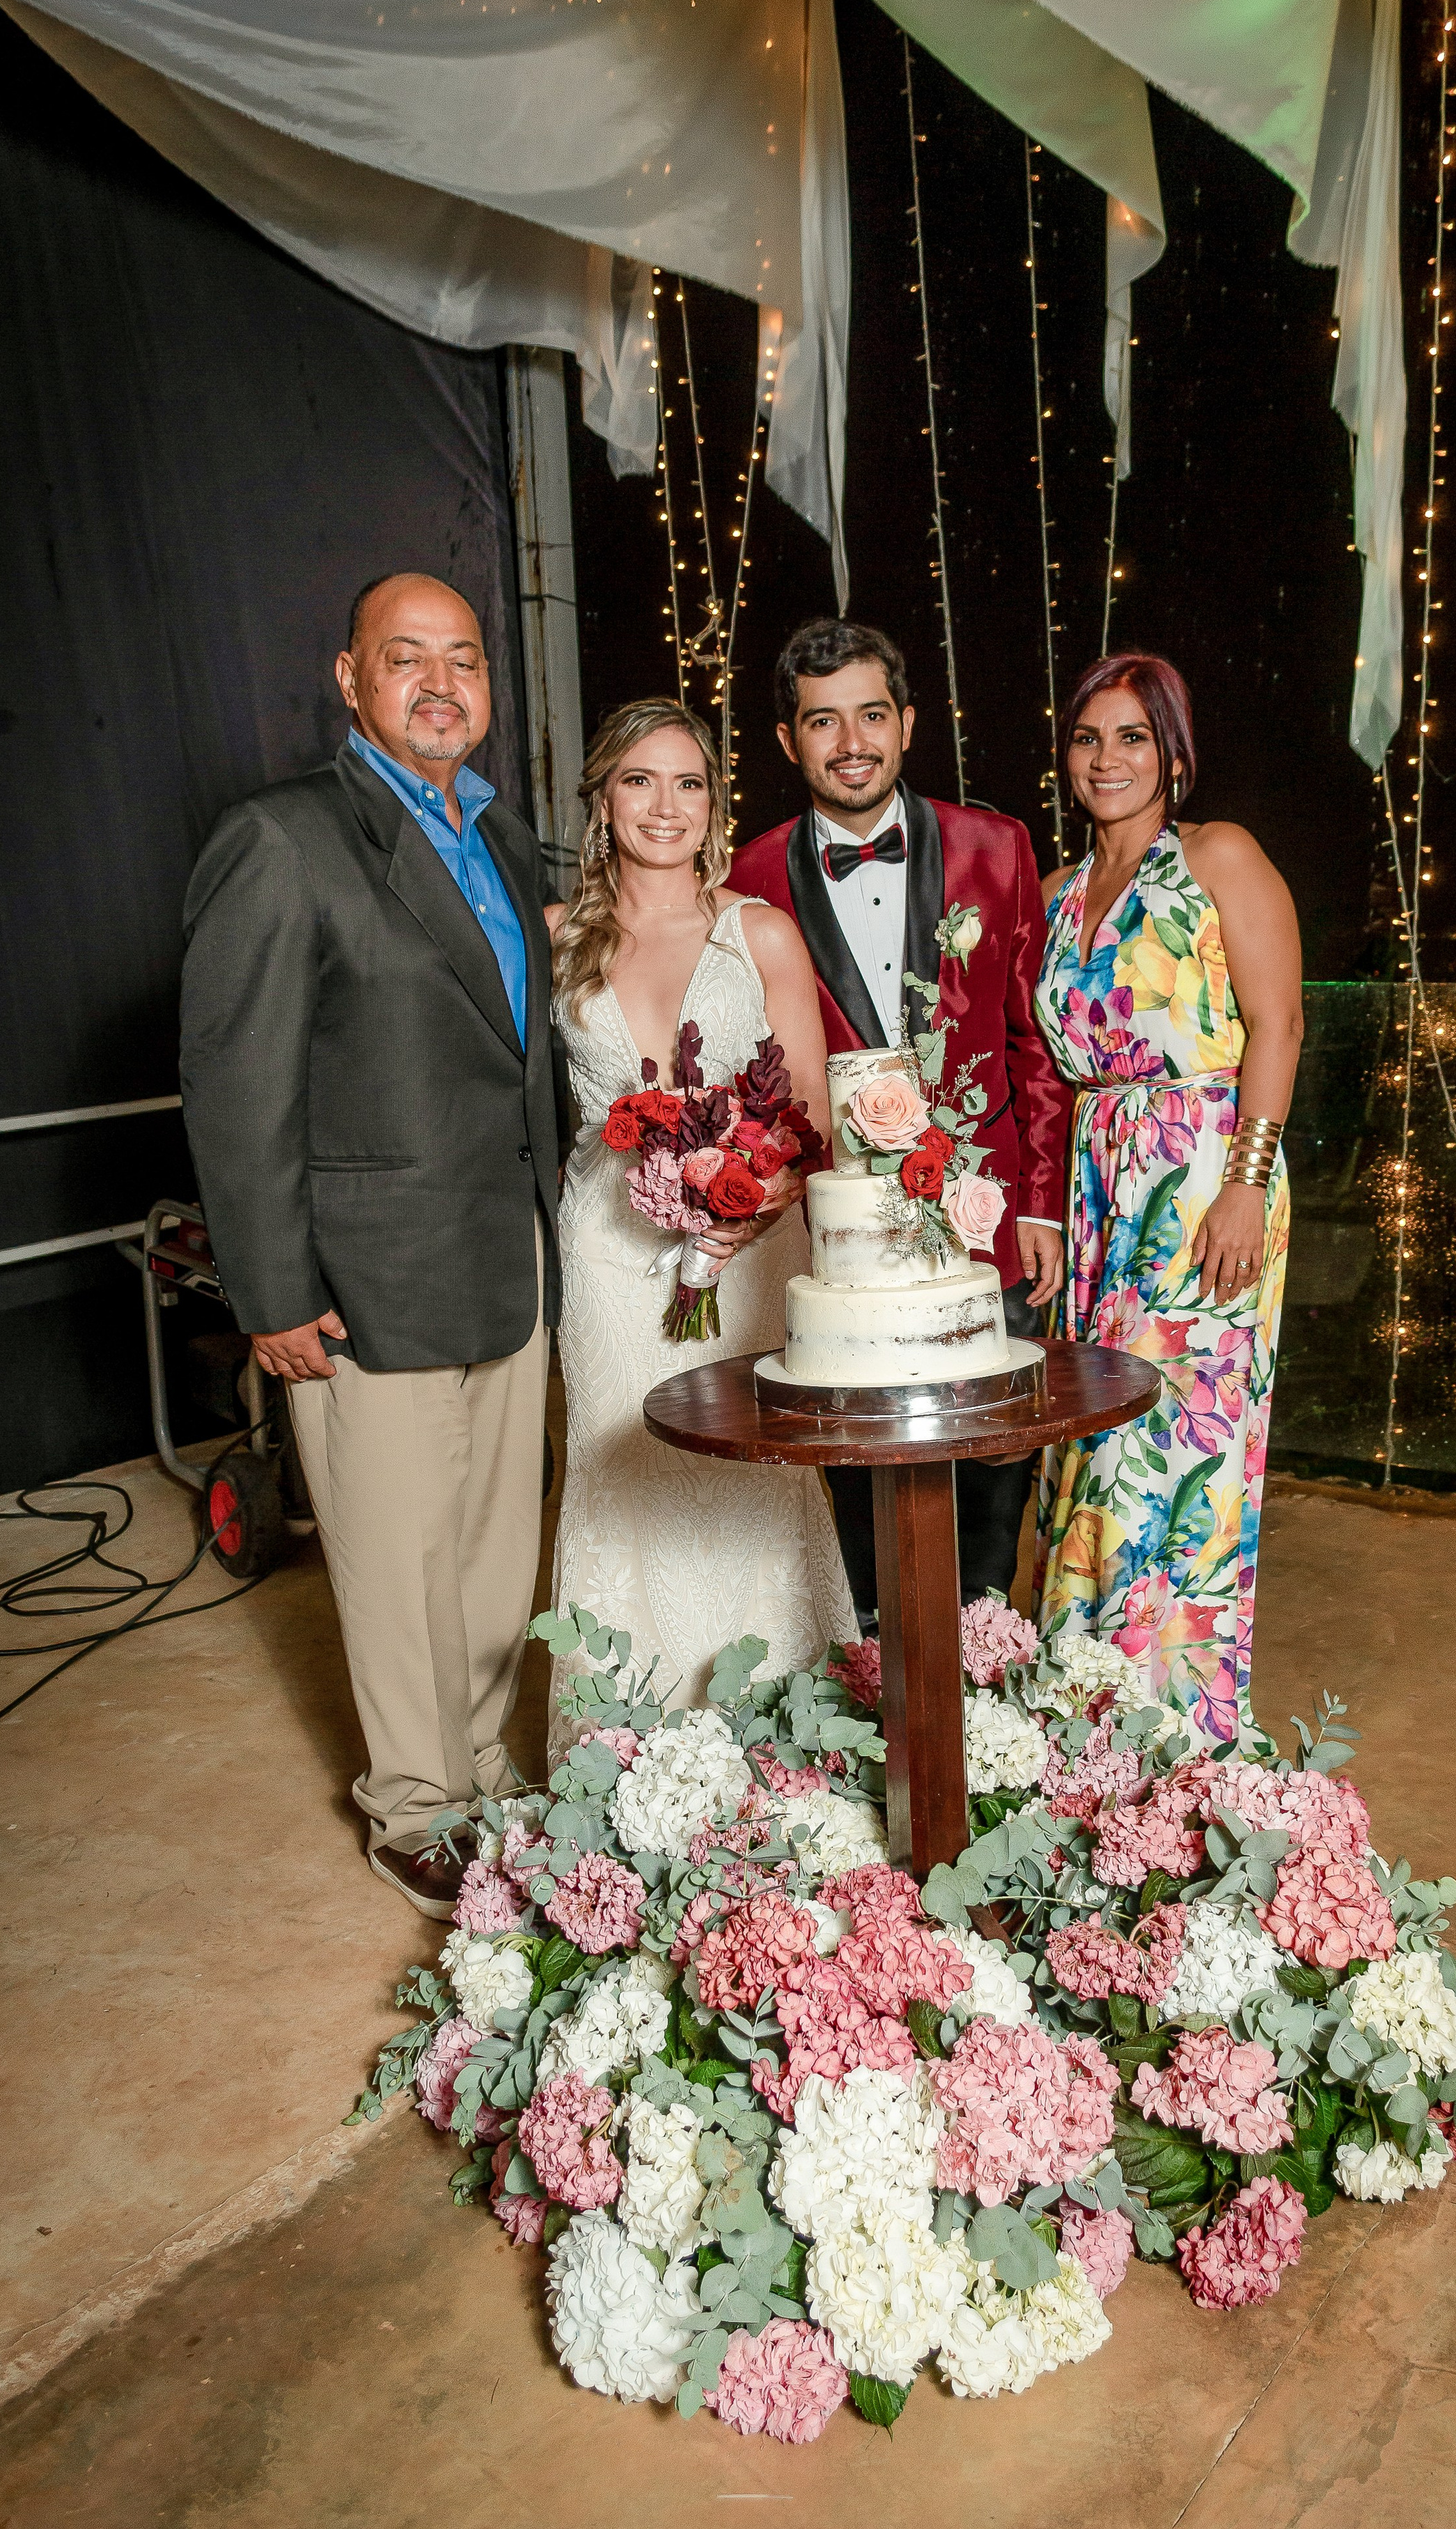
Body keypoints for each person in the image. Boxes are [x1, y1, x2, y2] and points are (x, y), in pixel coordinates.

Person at [180, 572, 566, 1918]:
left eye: (464, 658)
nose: (442, 684)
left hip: (502, 1258)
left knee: (485, 1552)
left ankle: (476, 1767)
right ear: (351, 680)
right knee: (395, 1558)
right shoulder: (283, 842)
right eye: (406, 659)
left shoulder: (507, 837)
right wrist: (271, 1290)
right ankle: (414, 1806)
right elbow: (235, 1087)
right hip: (361, 1277)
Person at [730, 618, 1071, 1618]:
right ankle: (873, 1655)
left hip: (989, 1216)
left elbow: (1034, 1044)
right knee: (850, 1457)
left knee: (996, 1455)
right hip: (838, 1246)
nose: (852, 742)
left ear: (909, 723)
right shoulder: (748, 878)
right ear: (790, 741)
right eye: (822, 721)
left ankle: (985, 1647)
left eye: (871, 714)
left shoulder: (997, 847)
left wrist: (1039, 1203)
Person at [544, 697, 854, 1748]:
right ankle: (621, 1742)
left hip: (747, 1253)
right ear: (603, 799)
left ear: (714, 805)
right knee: (615, 1462)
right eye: (640, 780)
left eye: (687, 783)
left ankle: (771, 1730)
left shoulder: (758, 931)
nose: (664, 805)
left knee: (748, 1476)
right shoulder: (553, 937)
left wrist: (739, 1213)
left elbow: (810, 1110)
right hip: (605, 1251)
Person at [1033, 651, 1301, 1750]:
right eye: (1090, 737)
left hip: (1205, 1183)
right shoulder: (1053, 896)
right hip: (1101, 1191)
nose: (1108, 758)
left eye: (1133, 737)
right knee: (1090, 1448)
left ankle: (1177, 1742)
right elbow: (1048, 1075)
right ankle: (1079, 1718)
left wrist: (1244, 1184)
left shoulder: (1219, 858)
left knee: (1176, 1455)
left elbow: (1278, 1027)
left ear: (1174, 755)